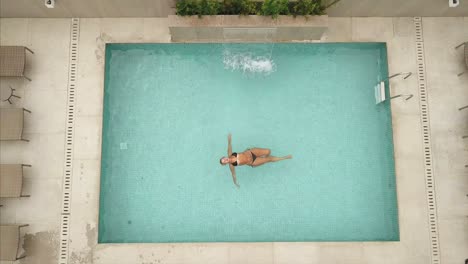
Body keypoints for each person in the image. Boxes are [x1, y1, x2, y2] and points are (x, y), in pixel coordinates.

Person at [219, 134, 292, 187]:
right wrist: (235, 183)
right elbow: (233, 174)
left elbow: (229, 145)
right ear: (225, 164)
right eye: (224, 161)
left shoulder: (229, 154)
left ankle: (267, 158)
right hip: (253, 162)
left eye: (224, 159)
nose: (225, 160)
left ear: (224, 157)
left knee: (268, 151)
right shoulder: (231, 165)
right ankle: (284, 158)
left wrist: (229, 139)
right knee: (269, 159)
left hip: (251, 152)